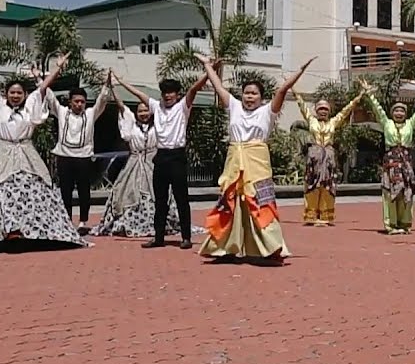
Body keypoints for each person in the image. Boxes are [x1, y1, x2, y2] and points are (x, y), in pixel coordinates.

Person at [0, 51, 89, 255]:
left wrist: (58, 68)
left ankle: (29, 231)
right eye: (12, 92)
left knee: (33, 190)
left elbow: (43, 87)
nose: (16, 96)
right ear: (6, 94)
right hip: (3, 154)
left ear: (25, 95)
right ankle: (1, 231)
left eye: (19, 93)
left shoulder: (30, 107)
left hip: (26, 153)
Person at [197, 54, 314, 262]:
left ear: (261, 97)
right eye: (246, 93)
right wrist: (207, 66)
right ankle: (225, 248)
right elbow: (218, 87)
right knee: (230, 202)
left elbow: (282, 89)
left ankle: (271, 247)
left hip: (257, 162)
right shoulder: (233, 106)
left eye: (254, 94)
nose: (249, 97)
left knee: (261, 203)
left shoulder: (267, 112)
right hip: (235, 161)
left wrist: (300, 70)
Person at [116, 70, 213, 249]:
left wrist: (209, 71)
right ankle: (158, 237)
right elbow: (138, 94)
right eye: (165, 92)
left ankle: (186, 237)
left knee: (181, 198)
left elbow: (194, 89)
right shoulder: (155, 106)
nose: (168, 96)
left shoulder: (183, 106)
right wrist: (121, 82)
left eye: (171, 92)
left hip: (177, 156)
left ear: (177, 94)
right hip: (160, 157)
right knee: (160, 200)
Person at [91, 74, 192, 239]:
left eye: (146, 110)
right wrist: (118, 85)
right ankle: (155, 234)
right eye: (141, 111)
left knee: (173, 197)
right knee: (138, 195)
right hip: (135, 165)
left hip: (157, 161)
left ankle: (181, 234)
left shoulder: (159, 123)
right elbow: (125, 103)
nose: (144, 113)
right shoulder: (132, 125)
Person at [358, 78, 415, 234]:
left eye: (402, 111)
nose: (399, 113)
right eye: (396, 111)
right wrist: (369, 93)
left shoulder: (410, 123)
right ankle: (391, 225)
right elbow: (377, 108)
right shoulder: (386, 123)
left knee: (406, 191)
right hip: (391, 163)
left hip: (406, 163)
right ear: (392, 113)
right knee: (390, 193)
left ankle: (405, 223)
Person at [43, 58, 110, 233]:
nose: (79, 104)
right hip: (64, 156)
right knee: (65, 191)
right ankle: (66, 221)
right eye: (76, 101)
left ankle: (83, 222)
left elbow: (102, 100)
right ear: (70, 102)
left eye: (82, 101)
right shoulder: (62, 112)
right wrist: (47, 73)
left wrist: (107, 82)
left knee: (84, 191)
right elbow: (48, 95)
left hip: (83, 158)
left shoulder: (90, 114)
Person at [296, 88, 365, 226]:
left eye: (325, 109)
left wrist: (359, 96)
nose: (323, 111)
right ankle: (311, 215)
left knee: (327, 186)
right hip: (314, 157)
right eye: (320, 109)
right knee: (312, 185)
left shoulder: (334, 122)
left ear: (329, 111)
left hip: (328, 158)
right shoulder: (311, 120)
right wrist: (293, 90)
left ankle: (325, 215)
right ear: (316, 110)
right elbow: (302, 105)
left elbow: (346, 110)